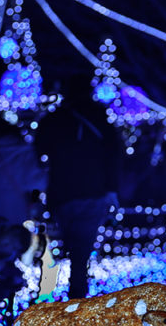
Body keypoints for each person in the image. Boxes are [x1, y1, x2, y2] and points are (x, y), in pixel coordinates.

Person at [35, 75, 122, 299]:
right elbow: (114, 154)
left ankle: (56, 291)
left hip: (62, 190)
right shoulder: (100, 118)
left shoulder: (55, 119)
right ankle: (77, 292)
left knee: (68, 243)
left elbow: (39, 149)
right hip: (93, 190)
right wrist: (112, 188)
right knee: (81, 247)